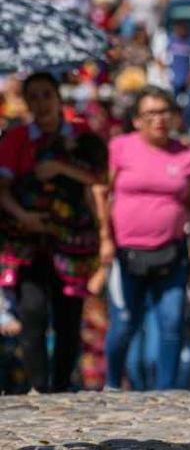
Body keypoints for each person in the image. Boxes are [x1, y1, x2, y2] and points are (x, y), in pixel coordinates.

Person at [92, 86, 190, 391]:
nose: (159, 119)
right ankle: (112, 385)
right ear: (136, 120)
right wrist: (105, 237)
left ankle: (167, 391)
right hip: (126, 254)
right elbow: (99, 191)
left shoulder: (186, 156)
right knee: (123, 325)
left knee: (172, 324)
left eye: (165, 112)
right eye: (151, 114)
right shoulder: (120, 148)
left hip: (172, 255)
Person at [0, 72, 107, 392]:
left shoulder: (82, 134)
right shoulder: (16, 138)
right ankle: (38, 385)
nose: (41, 102)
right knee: (31, 310)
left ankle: (61, 386)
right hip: (26, 237)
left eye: (47, 94)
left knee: (68, 314)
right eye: (34, 96)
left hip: (73, 239)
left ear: (58, 98)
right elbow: (2, 189)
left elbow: (98, 177)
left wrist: (60, 167)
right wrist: (25, 216)